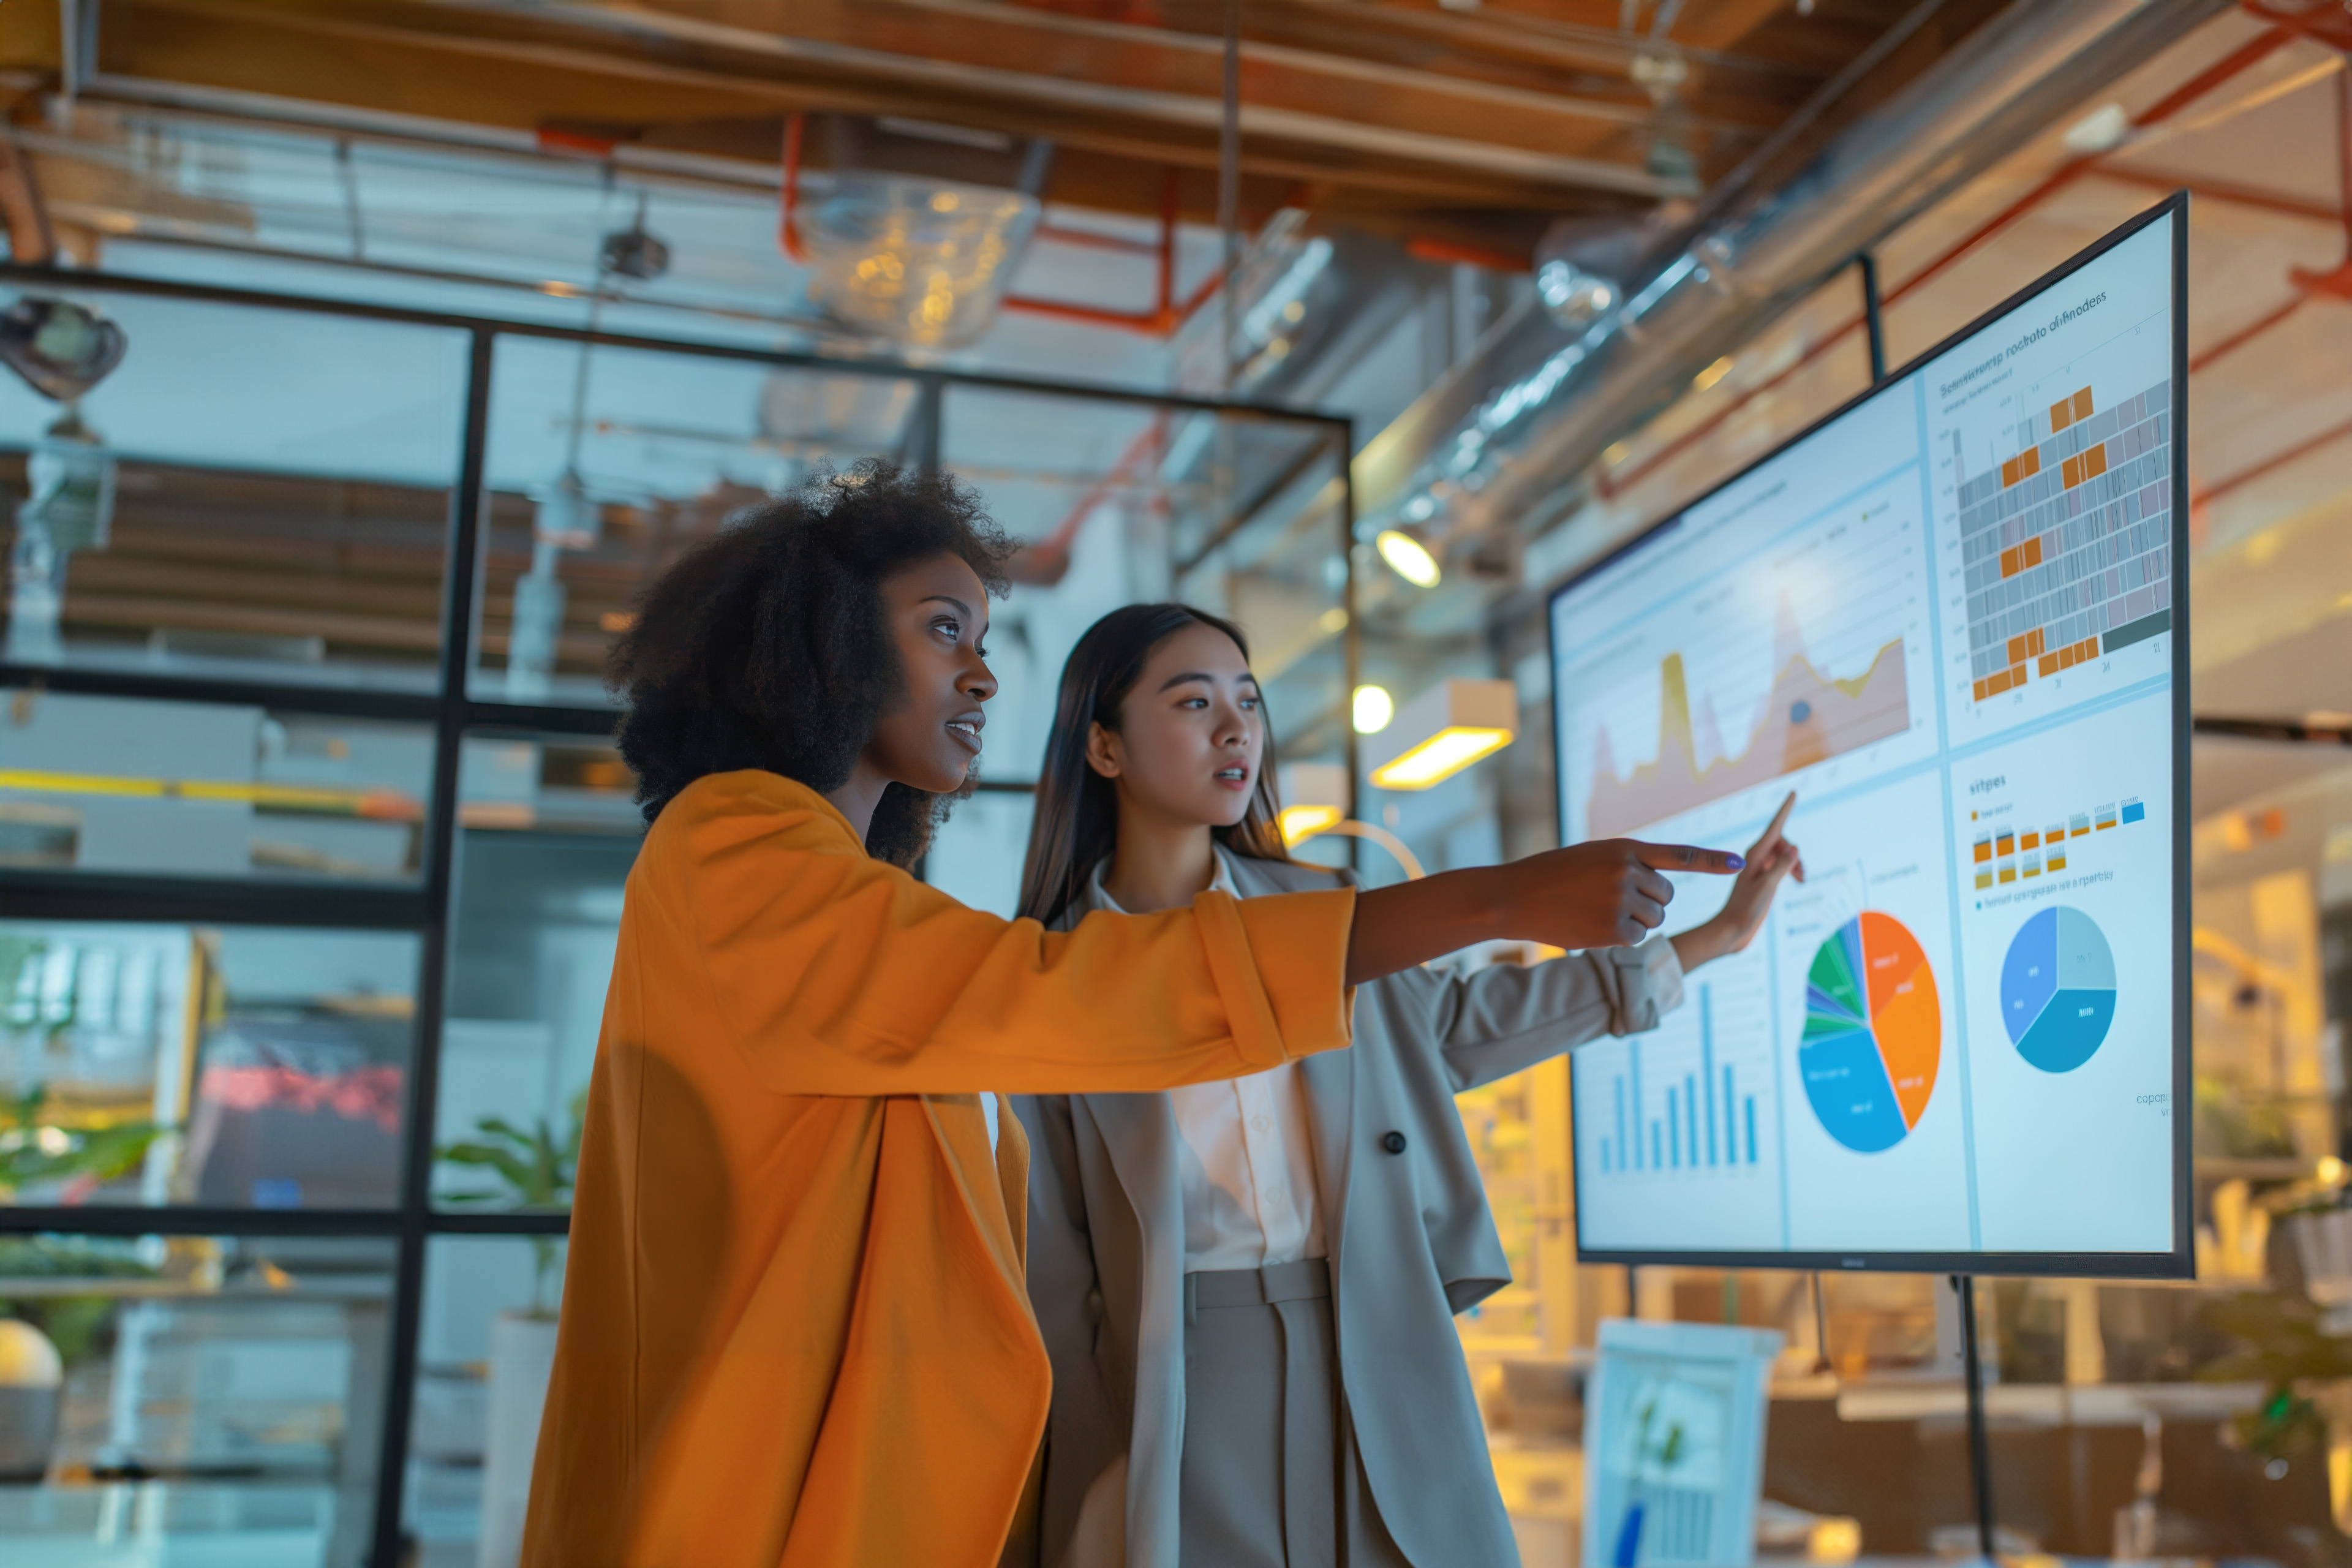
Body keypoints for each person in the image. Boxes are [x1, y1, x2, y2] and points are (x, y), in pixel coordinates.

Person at [1012, 603, 1803, 1568]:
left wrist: (1711, 940)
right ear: (1104, 745)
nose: (1236, 730)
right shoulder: (1054, 976)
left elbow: (1459, 1029)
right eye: (1193, 702)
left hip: (1373, 1331)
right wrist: (1080, 1488)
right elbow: (1059, 1285)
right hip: (1182, 1379)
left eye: (1249, 702)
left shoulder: (1328, 913)